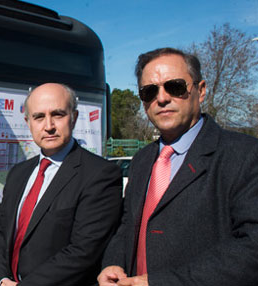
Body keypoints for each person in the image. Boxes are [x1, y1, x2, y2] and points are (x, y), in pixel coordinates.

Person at [98, 47, 258, 286]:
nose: (161, 98)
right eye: (149, 91)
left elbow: (252, 246)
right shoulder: (142, 160)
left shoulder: (244, 154)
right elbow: (128, 223)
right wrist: (112, 263)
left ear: (201, 91)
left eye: (175, 86)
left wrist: (161, 282)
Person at [0, 83, 123, 286]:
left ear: (74, 117)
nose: (49, 125)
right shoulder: (18, 173)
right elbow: (0, 232)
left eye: (58, 114)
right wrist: (1, 279)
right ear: (28, 122)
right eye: (39, 117)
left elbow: (84, 250)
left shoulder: (100, 174)